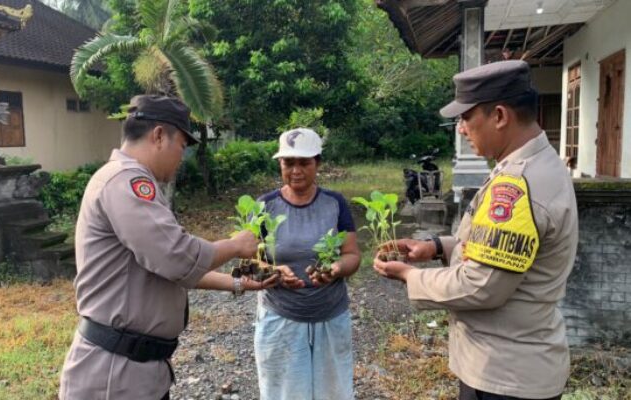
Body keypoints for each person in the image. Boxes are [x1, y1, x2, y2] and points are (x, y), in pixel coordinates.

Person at [373, 61, 578, 400]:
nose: (461, 130)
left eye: (466, 118)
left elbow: (481, 285)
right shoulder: (525, 166)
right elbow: (490, 248)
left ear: (499, 116)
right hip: (509, 367)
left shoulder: (519, 183)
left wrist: (410, 276)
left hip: (505, 376)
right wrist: (436, 247)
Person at [59, 95, 275, 400]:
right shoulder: (126, 182)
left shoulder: (128, 181)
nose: (181, 158)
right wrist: (236, 245)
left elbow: (166, 269)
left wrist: (237, 282)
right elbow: (177, 257)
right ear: (159, 135)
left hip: (135, 369)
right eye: (182, 147)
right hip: (114, 376)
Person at [253, 128, 361, 400]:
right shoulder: (264, 206)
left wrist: (336, 268)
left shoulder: (334, 203)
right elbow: (251, 259)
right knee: (285, 393)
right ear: (280, 164)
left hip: (331, 315)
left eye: (304, 162)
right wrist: (273, 271)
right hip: (280, 317)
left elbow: (352, 254)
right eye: (288, 163)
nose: (296, 170)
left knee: (333, 393)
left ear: (318, 163)